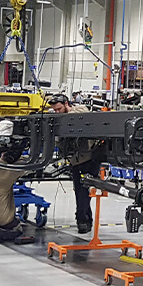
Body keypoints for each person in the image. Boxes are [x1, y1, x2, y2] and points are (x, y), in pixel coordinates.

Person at [49, 94, 96, 234]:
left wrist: (63, 116)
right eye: (55, 110)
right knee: (80, 192)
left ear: (66, 104)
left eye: (59, 109)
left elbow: (83, 112)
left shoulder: (80, 109)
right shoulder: (59, 119)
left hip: (88, 159)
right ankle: (85, 220)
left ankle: (83, 221)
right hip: (75, 160)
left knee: (83, 192)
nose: (57, 112)